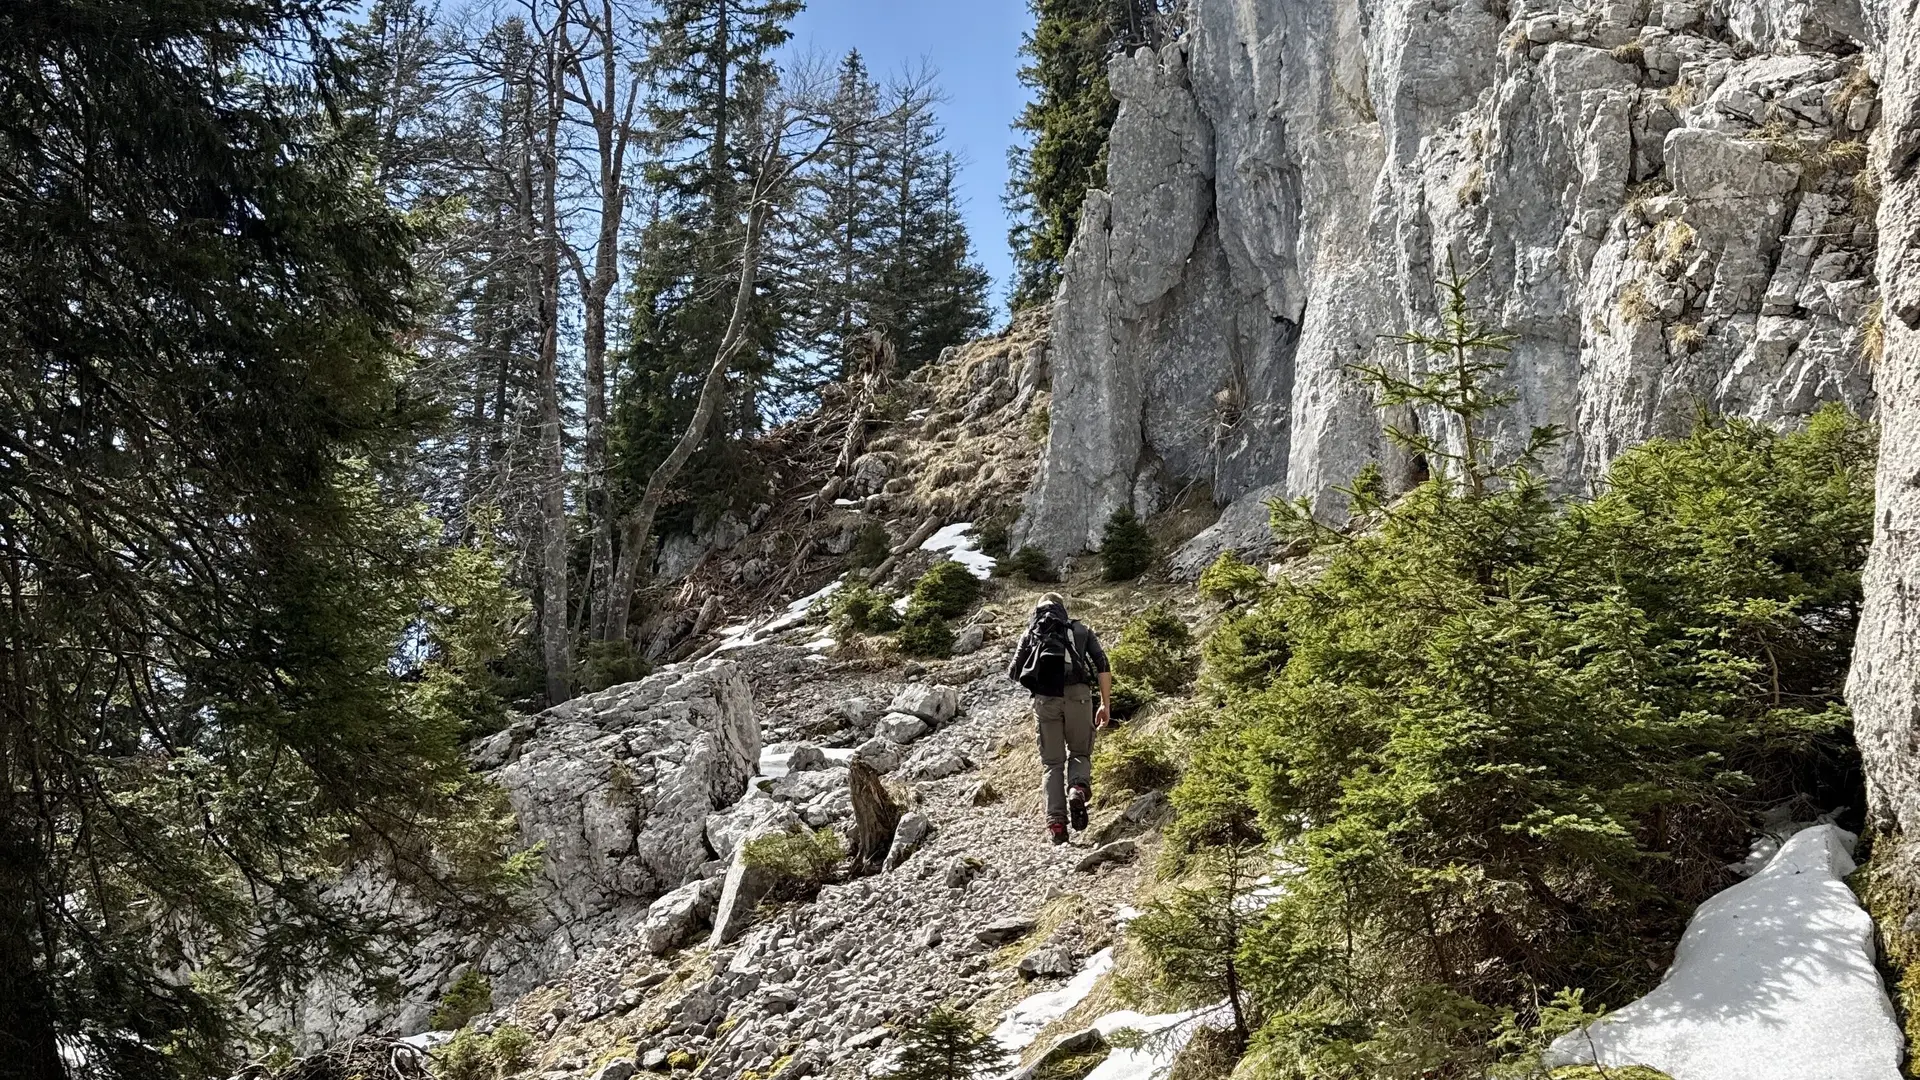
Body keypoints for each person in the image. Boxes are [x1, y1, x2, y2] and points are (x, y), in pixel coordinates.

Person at [1006, 593, 1112, 845]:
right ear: (1063, 609)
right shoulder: (1081, 629)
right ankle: (1077, 788)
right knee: (1080, 752)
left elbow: (1014, 672)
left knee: (1052, 763)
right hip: (1079, 697)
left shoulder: (1031, 632)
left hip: (1046, 701)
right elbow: (1103, 664)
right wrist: (1105, 704)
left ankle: (1056, 825)